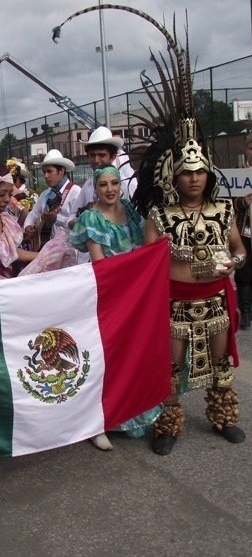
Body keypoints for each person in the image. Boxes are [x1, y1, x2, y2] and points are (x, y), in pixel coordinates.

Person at [111, 6, 248, 456]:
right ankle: (168, 423)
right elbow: (149, 266)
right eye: (186, 172)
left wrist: (234, 261)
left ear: (208, 173)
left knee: (222, 363)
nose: (194, 178)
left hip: (215, 302)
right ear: (174, 176)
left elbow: (240, 249)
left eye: (200, 172)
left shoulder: (224, 208)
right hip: (175, 304)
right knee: (169, 368)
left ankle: (223, 415)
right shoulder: (160, 216)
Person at [70, 165, 161, 449]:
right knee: (107, 358)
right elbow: (101, 265)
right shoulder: (90, 218)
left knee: (136, 352)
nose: (110, 189)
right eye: (103, 185)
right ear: (95, 188)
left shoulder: (131, 211)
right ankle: (99, 423)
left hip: (136, 293)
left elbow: (146, 247)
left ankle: (136, 412)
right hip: (109, 294)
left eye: (114, 183)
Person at [20, 149, 81, 275]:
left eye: (49, 171)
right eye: (44, 172)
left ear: (62, 171)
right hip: (49, 252)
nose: (46, 176)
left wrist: (57, 219)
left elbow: (79, 224)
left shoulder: (75, 192)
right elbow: (32, 215)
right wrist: (29, 227)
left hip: (71, 253)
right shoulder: (45, 194)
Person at [232, 133, 252, 329]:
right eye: (251, 148)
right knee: (244, 271)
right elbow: (228, 204)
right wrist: (242, 202)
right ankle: (245, 311)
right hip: (244, 231)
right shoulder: (238, 175)